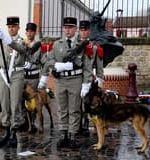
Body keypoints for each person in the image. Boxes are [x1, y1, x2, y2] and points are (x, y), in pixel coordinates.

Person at [39, 17, 92, 148]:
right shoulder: (57, 44)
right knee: (62, 109)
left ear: (75, 29)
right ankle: (63, 134)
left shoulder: (82, 44)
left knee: (74, 109)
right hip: (61, 80)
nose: (67, 30)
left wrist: (86, 83)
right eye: (65, 28)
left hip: (75, 79)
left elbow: (87, 66)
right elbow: (47, 60)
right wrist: (57, 65)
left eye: (70, 27)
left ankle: (73, 135)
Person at [0, 16, 26, 148]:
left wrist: (7, 40)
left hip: (16, 74)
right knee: (4, 104)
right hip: (2, 75)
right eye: (9, 27)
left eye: (14, 27)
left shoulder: (21, 41)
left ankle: (14, 133)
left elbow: (21, 49)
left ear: (18, 27)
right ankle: (6, 131)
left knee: (15, 104)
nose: (11, 29)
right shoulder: (2, 42)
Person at [78, 20, 104, 136]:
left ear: (89, 31)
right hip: (75, 78)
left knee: (86, 103)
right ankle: (76, 126)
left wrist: (99, 80)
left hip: (88, 80)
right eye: (82, 30)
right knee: (75, 104)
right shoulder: (75, 45)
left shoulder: (95, 48)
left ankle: (85, 125)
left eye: (86, 30)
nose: (83, 33)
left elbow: (99, 66)